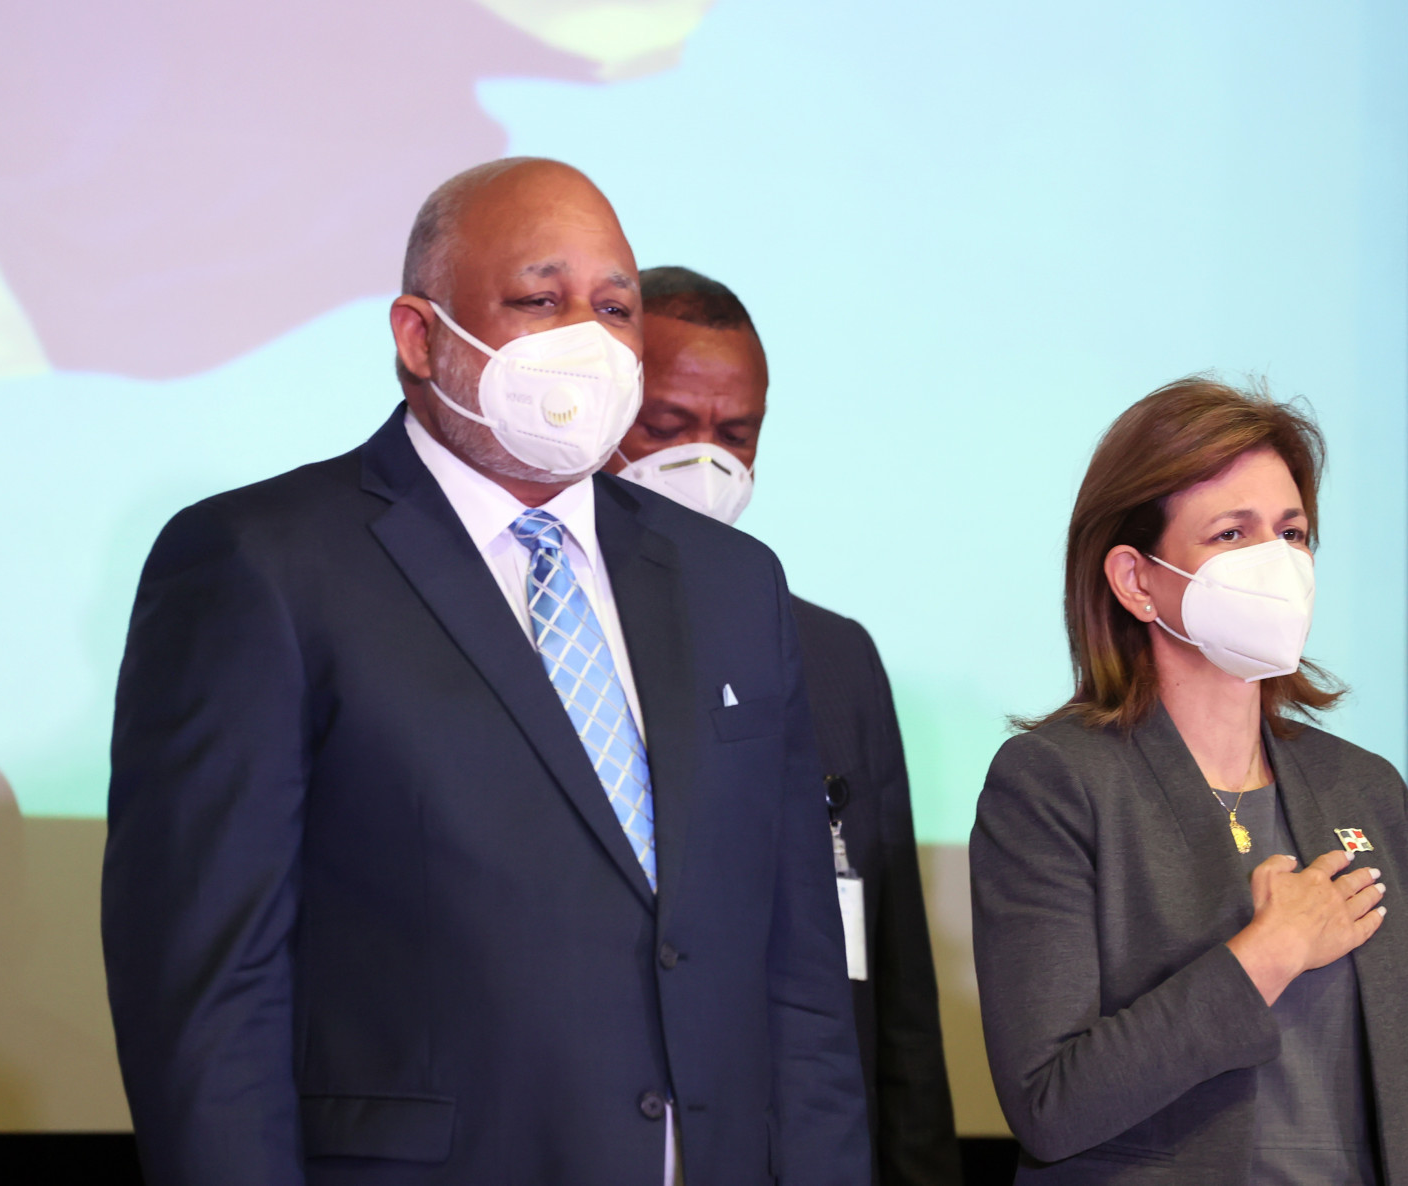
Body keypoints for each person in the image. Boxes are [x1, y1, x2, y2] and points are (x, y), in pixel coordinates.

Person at [102, 159, 869, 1186]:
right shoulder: (262, 565)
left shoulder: (732, 583)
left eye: (614, 309)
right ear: (420, 337)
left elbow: (801, 978)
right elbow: (209, 994)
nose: (585, 339)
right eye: (540, 301)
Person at [969, 378, 1408, 1184]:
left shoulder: (1363, 788)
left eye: (1292, 533)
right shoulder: (1054, 783)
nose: (1277, 561)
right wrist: (1267, 953)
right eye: (1233, 533)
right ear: (1136, 580)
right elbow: (1050, 1106)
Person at [608, 266, 964, 1186]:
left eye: (735, 435)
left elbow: (898, 994)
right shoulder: (537, 634)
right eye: (666, 426)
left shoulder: (835, 659)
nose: (705, 462)